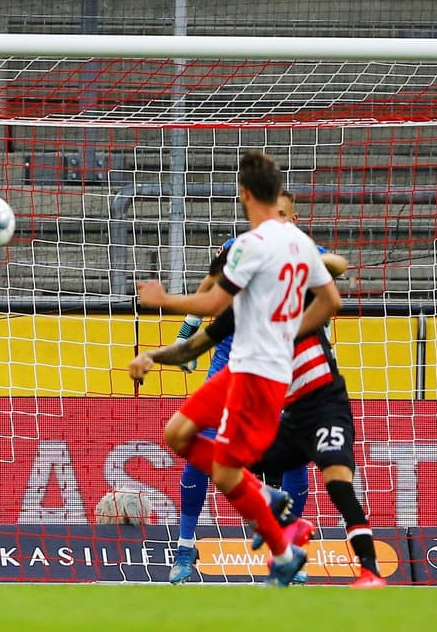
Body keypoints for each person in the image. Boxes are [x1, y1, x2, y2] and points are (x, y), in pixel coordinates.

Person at [130, 152, 341, 587]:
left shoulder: (249, 245)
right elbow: (332, 301)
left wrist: (161, 298)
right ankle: (272, 502)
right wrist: (290, 331)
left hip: (258, 376)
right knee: (177, 434)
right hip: (239, 367)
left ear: (244, 194)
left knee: (226, 472)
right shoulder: (299, 245)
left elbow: (212, 304)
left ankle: (282, 547)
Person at [141, 253, 386, 588]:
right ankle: (274, 521)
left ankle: (368, 569)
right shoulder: (238, 305)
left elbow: (336, 272)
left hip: (320, 405)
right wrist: (152, 354)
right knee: (222, 461)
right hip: (269, 394)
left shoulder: (294, 289)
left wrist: (299, 256)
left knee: (337, 483)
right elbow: (195, 337)